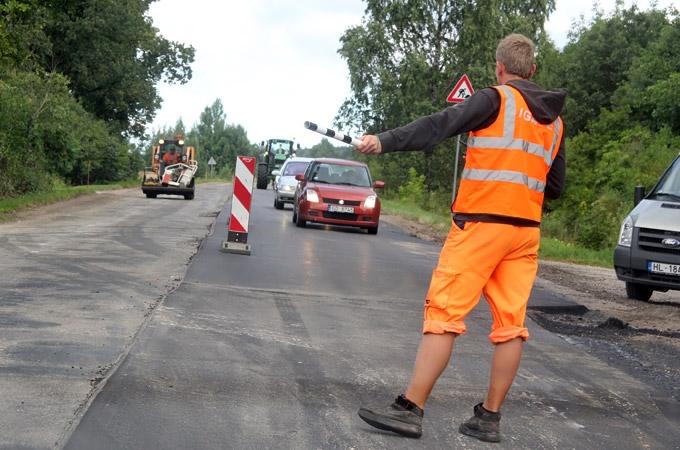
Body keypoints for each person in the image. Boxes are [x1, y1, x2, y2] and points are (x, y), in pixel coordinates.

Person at [355, 33, 566, 443]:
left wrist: (384, 141)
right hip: (525, 233)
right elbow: (555, 185)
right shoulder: (554, 121)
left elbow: (439, 125)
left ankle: (410, 408)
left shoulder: (494, 100)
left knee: (445, 313)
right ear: (533, 70)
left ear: (500, 68)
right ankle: (489, 418)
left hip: (481, 226)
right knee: (510, 325)